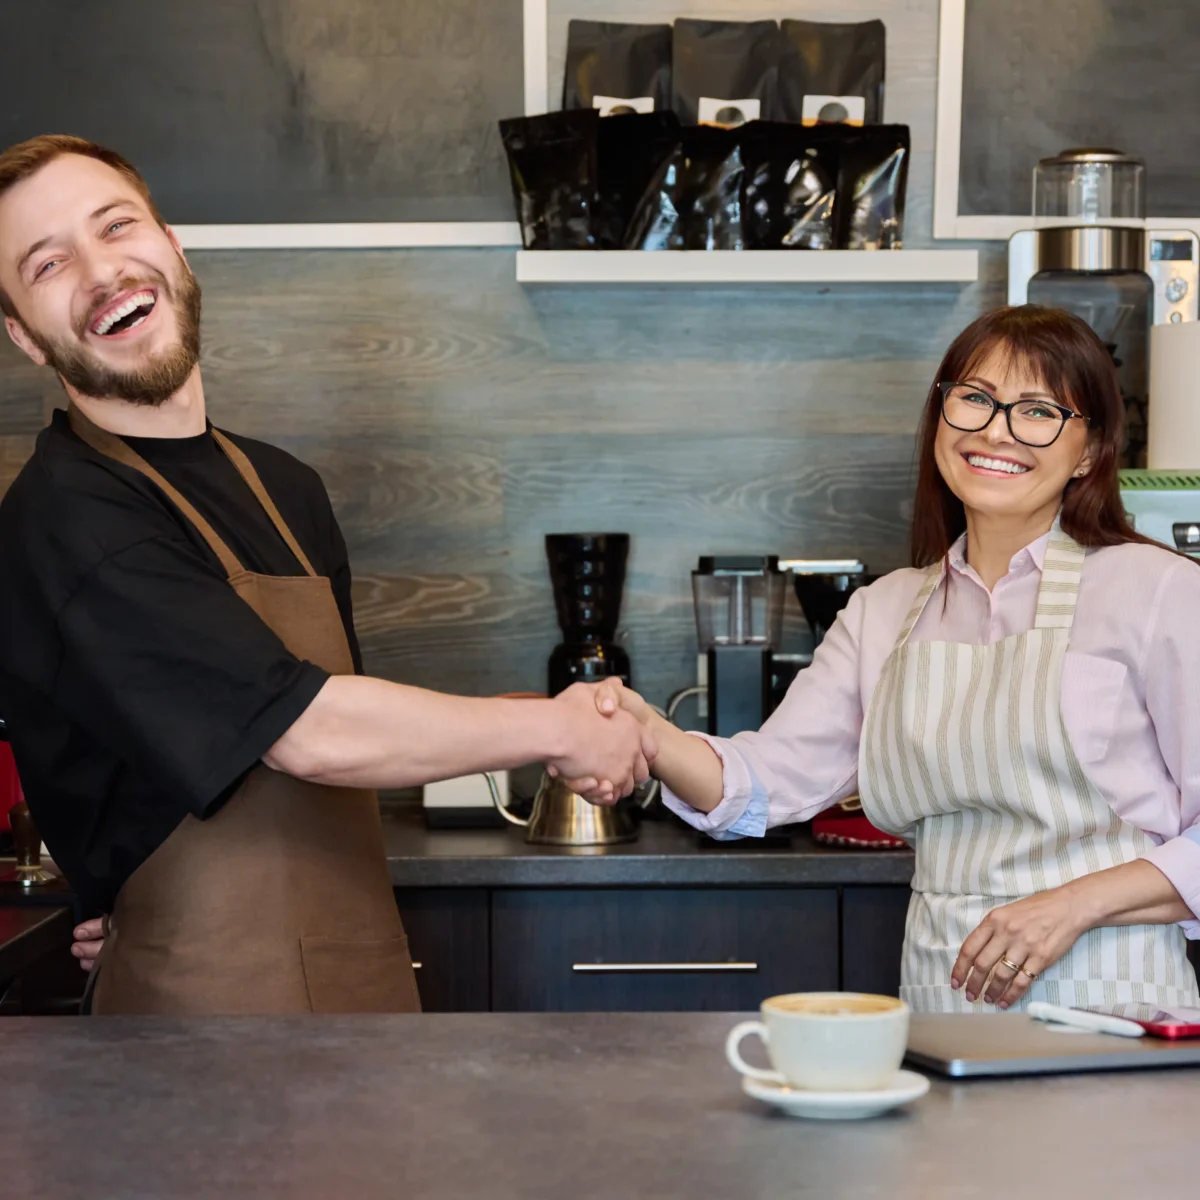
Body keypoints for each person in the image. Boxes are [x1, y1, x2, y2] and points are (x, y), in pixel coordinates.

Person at [0, 135, 654, 1014]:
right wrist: (559, 732)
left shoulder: (283, 488)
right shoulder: (68, 515)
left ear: (174, 246)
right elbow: (307, 733)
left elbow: (338, 713)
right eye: (48, 264)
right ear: (25, 338)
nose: (103, 271)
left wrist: (569, 717)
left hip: (359, 986)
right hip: (198, 1028)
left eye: (117, 225)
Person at [576, 306, 1200, 1013]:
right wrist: (647, 733)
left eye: (1038, 411)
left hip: (1118, 1000)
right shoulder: (885, 611)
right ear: (941, 416)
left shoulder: (1158, 590)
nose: (996, 430)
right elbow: (765, 781)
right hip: (947, 996)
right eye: (974, 398)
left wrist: (1072, 905)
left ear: (1089, 451)